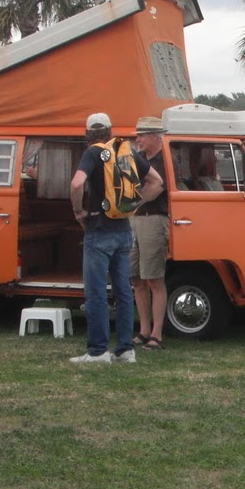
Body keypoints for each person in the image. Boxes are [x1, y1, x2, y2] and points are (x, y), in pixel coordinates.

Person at [68, 112, 164, 364]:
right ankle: (125, 350)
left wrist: (78, 211)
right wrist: (133, 204)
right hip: (124, 230)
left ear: (88, 134)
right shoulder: (125, 150)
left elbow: (77, 184)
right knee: (123, 292)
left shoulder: (93, 153)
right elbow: (157, 182)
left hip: (99, 229)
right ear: (110, 131)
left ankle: (98, 351)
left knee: (97, 292)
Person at [130, 116, 169, 350]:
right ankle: (144, 330)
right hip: (135, 220)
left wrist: (131, 204)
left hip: (153, 219)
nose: (138, 139)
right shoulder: (140, 159)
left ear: (155, 136)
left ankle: (157, 334)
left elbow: (156, 187)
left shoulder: (165, 160)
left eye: (142, 135)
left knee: (154, 278)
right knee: (136, 278)